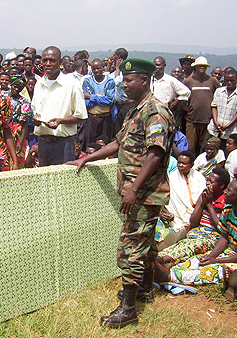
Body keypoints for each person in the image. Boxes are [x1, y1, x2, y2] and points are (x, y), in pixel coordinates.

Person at [67, 58, 174, 328]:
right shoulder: (135, 110)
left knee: (129, 250)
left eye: (130, 80)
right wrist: (86, 159)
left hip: (143, 194)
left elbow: (155, 153)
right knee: (146, 245)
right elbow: (118, 142)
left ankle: (128, 309)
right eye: (124, 80)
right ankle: (145, 290)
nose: (125, 85)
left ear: (144, 80)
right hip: (139, 193)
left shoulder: (155, 112)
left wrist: (133, 190)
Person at [155, 178, 237, 302]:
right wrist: (211, 256)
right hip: (234, 250)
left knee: (215, 270)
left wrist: (216, 260)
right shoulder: (228, 210)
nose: (225, 192)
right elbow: (224, 237)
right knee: (200, 260)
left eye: (229, 190)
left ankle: (168, 276)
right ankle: (170, 270)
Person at [157, 168, 230, 266]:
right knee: (181, 244)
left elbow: (221, 229)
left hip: (213, 236)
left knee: (190, 246)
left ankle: (162, 259)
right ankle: (162, 256)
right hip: (198, 231)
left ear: (221, 186)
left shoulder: (226, 202)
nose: (207, 183)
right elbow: (194, 222)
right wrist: (202, 203)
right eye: (207, 180)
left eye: (211, 182)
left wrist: (208, 205)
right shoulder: (204, 195)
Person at [32, 46, 87, 167]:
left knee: (63, 184)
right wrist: (36, 120)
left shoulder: (72, 84)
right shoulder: (39, 84)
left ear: (60, 62)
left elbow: (81, 116)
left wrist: (61, 121)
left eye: (52, 60)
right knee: (45, 183)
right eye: (45, 60)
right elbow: (35, 112)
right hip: (42, 144)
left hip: (63, 144)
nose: (48, 64)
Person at [158, 151, 206, 242]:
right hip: (174, 217)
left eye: (184, 163)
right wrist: (165, 212)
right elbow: (161, 197)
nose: (180, 165)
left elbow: (202, 201)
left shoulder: (200, 179)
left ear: (191, 165)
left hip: (194, 216)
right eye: (179, 162)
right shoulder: (170, 178)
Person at [183, 56, 220, 154]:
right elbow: (179, 96)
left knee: (204, 147)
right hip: (192, 119)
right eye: (200, 66)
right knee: (191, 146)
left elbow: (220, 94)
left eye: (204, 66)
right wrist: (187, 109)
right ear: (195, 67)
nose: (202, 68)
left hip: (207, 120)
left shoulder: (212, 81)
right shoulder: (188, 81)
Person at [206, 69, 237, 149]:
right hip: (214, 128)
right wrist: (216, 122)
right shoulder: (219, 91)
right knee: (208, 149)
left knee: (223, 152)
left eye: (232, 81)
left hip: (229, 130)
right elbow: (214, 106)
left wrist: (227, 125)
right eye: (227, 80)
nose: (230, 83)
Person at [82, 59, 115, 148]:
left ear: (103, 68)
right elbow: (87, 103)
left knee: (105, 144)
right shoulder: (87, 82)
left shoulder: (109, 82)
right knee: (90, 143)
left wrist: (91, 97)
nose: (96, 71)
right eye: (94, 69)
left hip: (106, 118)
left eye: (98, 68)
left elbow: (109, 101)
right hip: (92, 118)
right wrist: (101, 98)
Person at [9, 75, 32, 168]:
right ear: (11, 85)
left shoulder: (24, 102)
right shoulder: (1, 98)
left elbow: (25, 123)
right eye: (15, 86)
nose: (17, 89)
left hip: (17, 133)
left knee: (18, 160)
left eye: (20, 88)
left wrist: (21, 142)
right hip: (3, 132)